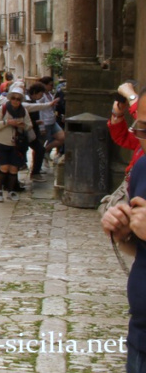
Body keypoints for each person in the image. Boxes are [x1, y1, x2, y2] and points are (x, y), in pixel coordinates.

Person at [100, 105, 146, 372]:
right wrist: (124, 232)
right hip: (141, 336)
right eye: (142, 128)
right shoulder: (142, 167)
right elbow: (138, 247)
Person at [0, 84, 36, 202]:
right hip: (1, 141)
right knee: (4, 166)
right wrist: (7, 122)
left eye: (18, 99)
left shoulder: (23, 111)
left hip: (17, 143)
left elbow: (29, 125)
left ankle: (11, 191)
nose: (15, 101)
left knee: (13, 168)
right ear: (10, 98)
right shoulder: (3, 109)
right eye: (13, 98)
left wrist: (22, 125)